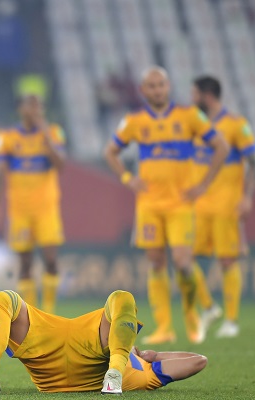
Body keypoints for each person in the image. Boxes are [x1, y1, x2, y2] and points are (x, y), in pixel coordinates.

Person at [104, 67, 229, 344]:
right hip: (149, 205)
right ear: (143, 91)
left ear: (168, 87)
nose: (157, 90)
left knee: (183, 261)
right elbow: (110, 152)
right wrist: (127, 177)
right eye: (152, 86)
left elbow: (221, 146)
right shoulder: (134, 121)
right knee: (156, 262)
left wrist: (204, 184)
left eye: (161, 84)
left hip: (180, 204)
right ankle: (165, 328)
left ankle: (194, 316)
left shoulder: (189, 116)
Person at [0, 290, 207, 394]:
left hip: (49, 356)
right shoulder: (147, 374)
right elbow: (198, 361)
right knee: (122, 299)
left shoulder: (147, 372)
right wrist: (152, 357)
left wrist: (152, 357)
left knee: (3, 299)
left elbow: (198, 362)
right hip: (88, 345)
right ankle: (113, 379)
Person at [191, 76, 255, 338]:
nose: (192, 100)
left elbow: (254, 163)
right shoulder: (195, 126)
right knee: (185, 258)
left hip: (227, 205)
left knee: (227, 260)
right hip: (198, 205)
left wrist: (248, 197)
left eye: (194, 95)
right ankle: (208, 307)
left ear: (207, 95)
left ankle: (231, 320)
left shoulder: (236, 124)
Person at [0, 95, 65, 314]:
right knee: (25, 264)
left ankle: (49, 311)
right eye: (29, 105)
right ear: (21, 109)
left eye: (38, 105)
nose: (34, 110)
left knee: (51, 260)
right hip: (20, 210)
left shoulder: (54, 133)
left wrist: (45, 135)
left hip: (47, 208)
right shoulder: (7, 137)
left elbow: (60, 165)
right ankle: (32, 314)